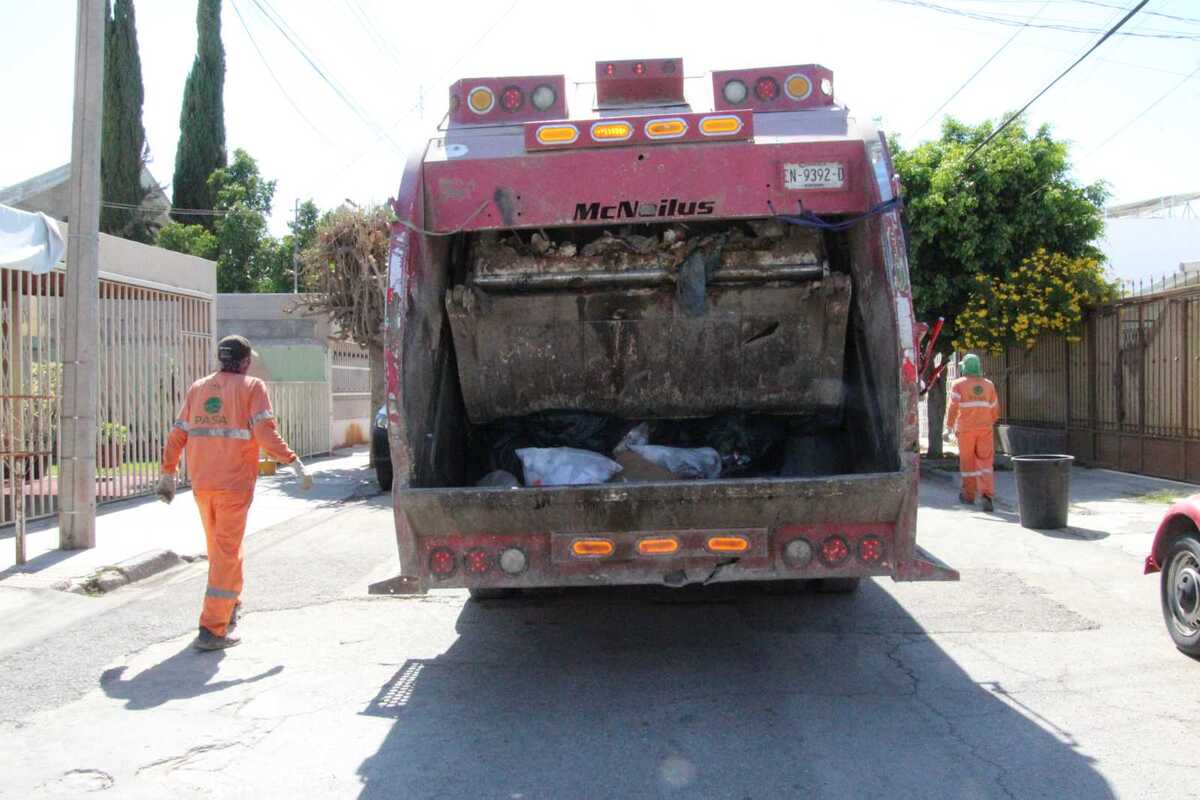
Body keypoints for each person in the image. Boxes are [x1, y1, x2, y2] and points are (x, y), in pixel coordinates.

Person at [156, 335, 313, 650]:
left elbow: (178, 434)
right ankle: (212, 629)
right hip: (234, 486)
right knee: (226, 553)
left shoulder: (198, 388)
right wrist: (292, 461)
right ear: (245, 362)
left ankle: (230, 607)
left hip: (203, 485)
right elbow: (265, 434)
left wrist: (168, 473)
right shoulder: (252, 388)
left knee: (222, 550)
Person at [944, 353, 1001, 513]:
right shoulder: (989, 385)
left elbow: (953, 407)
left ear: (964, 368)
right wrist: (987, 422)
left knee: (967, 464)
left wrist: (948, 426)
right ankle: (987, 495)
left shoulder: (958, 384)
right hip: (985, 430)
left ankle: (969, 495)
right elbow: (995, 410)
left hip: (965, 430)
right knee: (985, 463)